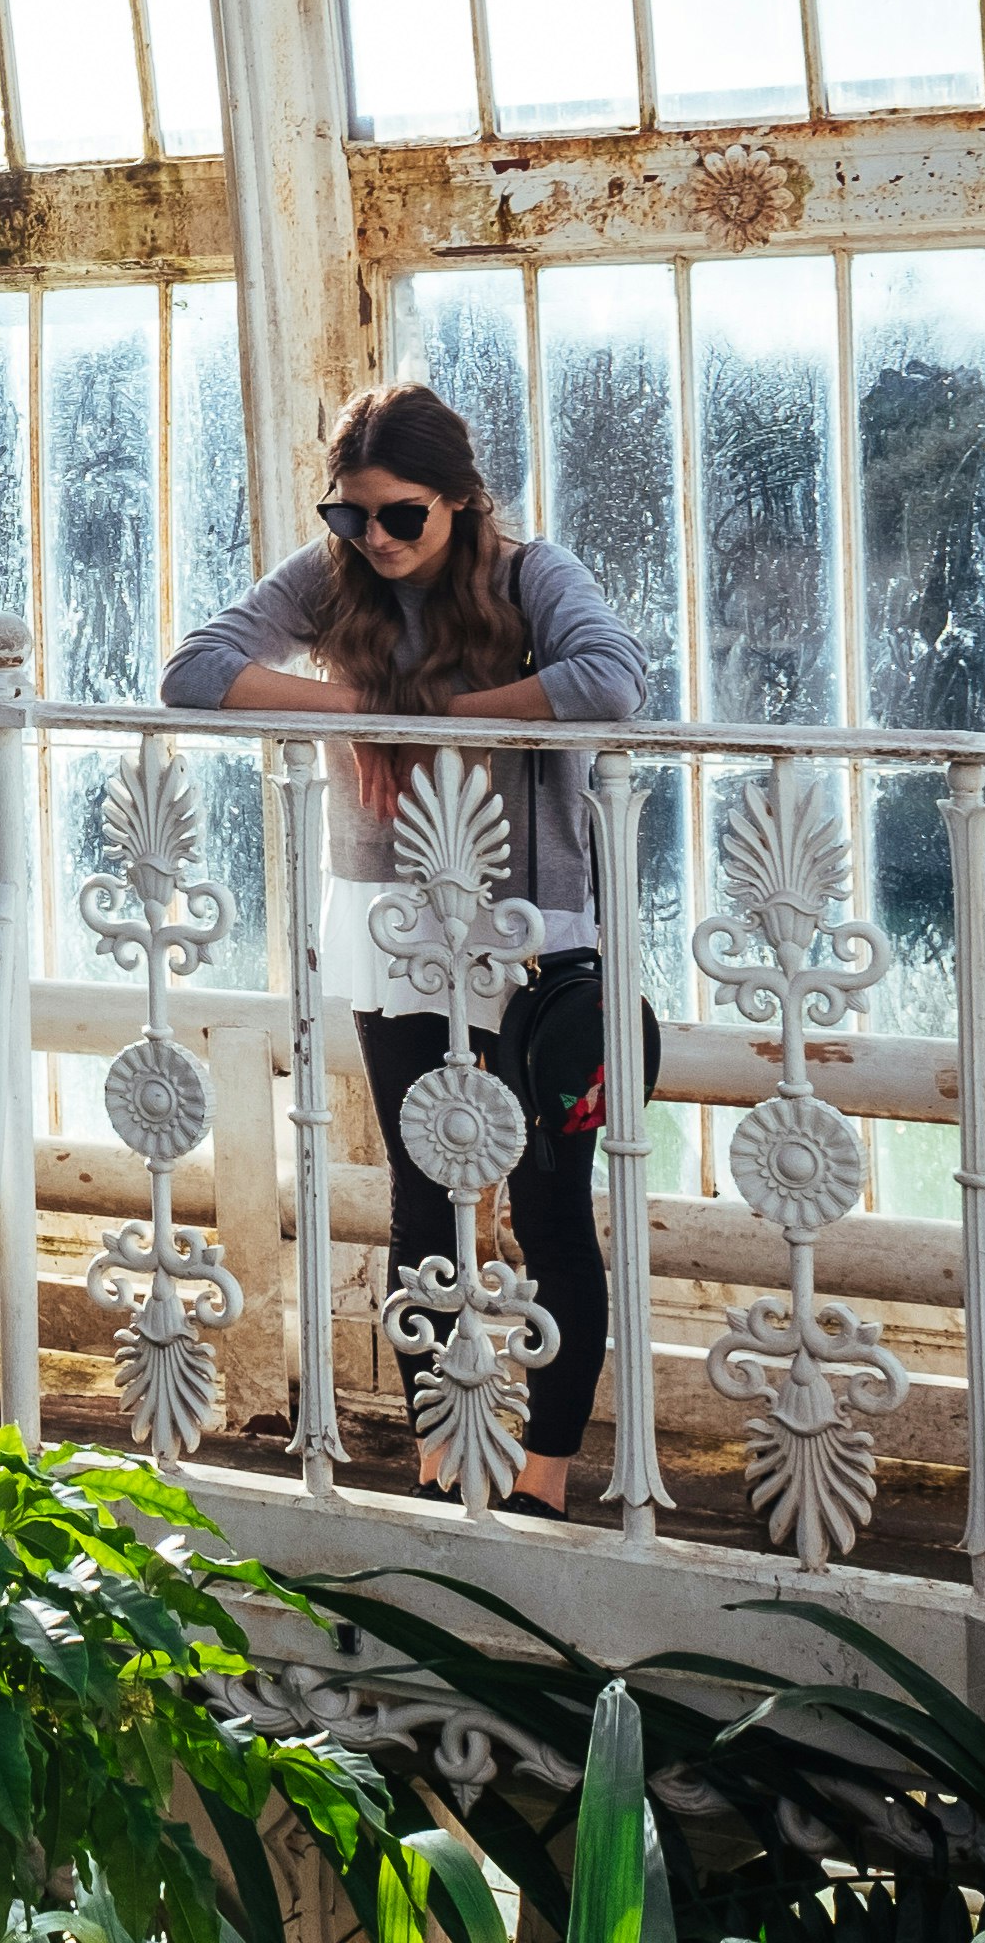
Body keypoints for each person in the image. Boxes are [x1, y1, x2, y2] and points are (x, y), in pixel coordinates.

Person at [161, 381, 648, 1519]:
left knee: (548, 1201)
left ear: (462, 502)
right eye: (352, 516)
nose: (373, 540)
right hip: (392, 923)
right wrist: (353, 715)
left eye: (400, 516)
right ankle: (437, 1463)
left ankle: (545, 1478)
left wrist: (444, 721)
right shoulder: (333, 581)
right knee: (424, 1193)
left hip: (532, 931)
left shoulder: (533, 574)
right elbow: (195, 672)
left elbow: (612, 679)